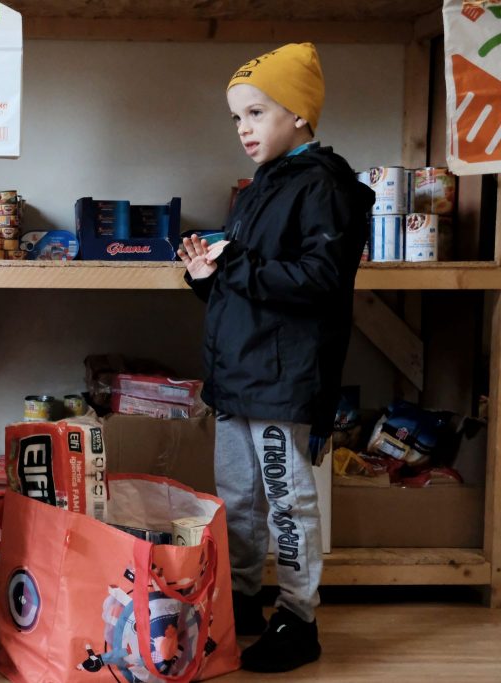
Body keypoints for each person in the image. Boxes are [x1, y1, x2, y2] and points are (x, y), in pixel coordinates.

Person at [178, 43, 373, 673]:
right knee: (236, 497)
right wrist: (208, 275)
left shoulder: (323, 185)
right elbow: (254, 278)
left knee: (286, 499)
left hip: (280, 380)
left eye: (256, 113)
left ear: (299, 114)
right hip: (240, 374)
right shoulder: (264, 186)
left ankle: (300, 616)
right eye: (237, 117)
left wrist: (234, 260)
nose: (243, 129)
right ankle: (240, 601)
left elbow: (318, 278)